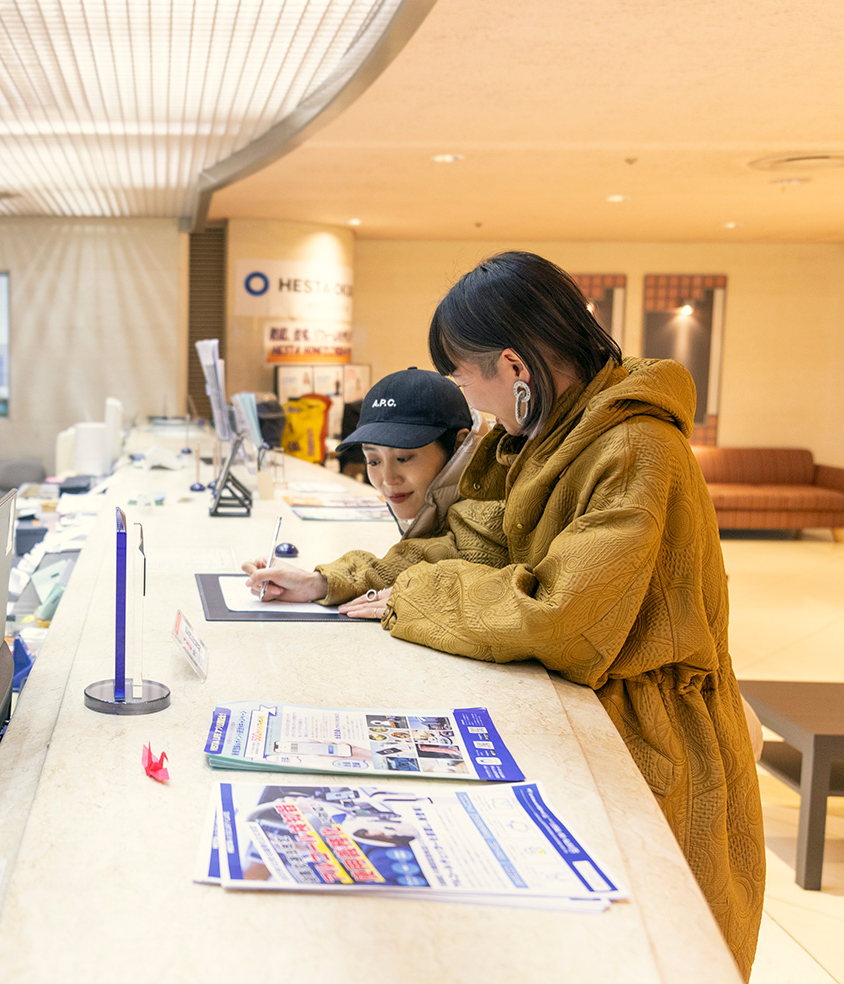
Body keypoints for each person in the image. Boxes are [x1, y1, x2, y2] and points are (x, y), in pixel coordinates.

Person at [244, 251, 763, 977]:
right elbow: (472, 541)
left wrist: (415, 598)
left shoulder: (637, 448)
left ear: (513, 367)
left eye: (463, 371)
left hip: (650, 743)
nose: (463, 391)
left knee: (641, 955)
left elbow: (561, 613)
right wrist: (333, 581)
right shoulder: (540, 435)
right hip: (589, 713)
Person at [242, 368, 476, 619]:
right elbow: (421, 557)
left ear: (459, 446)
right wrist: (317, 583)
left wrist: (420, 600)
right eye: (373, 461)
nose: (387, 479)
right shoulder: (444, 509)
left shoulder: (490, 510)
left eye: (403, 458)